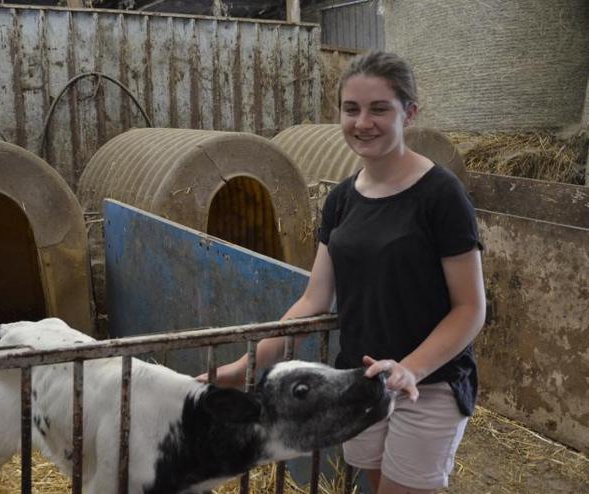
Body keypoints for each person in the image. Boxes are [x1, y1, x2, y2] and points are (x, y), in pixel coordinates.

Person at [199, 51, 486, 494]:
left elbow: (470, 308)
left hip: (427, 386)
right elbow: (315, 299)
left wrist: (409, 369)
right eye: (351, 109)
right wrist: (245, 366)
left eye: (379, 109)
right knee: (376, 482)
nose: (362, 122)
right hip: (358, 382)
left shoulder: (441, 196)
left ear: (409, 113)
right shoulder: (341, 200)